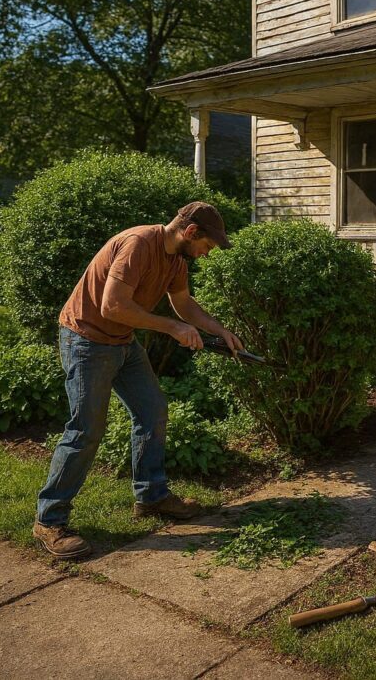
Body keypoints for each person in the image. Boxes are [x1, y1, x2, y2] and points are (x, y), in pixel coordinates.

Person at [33, 201, 245, 559]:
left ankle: (151, 496)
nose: (204, 256)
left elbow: (184, 304)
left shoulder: (176, 259)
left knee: (152, 410)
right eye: (206, 247)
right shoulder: (138, 244)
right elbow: (111, 306)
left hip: (121, 342)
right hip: (87, 339)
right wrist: (173, 328)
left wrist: (218, 330)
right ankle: (49, 519)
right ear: (191, 232)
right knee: (85, 429)